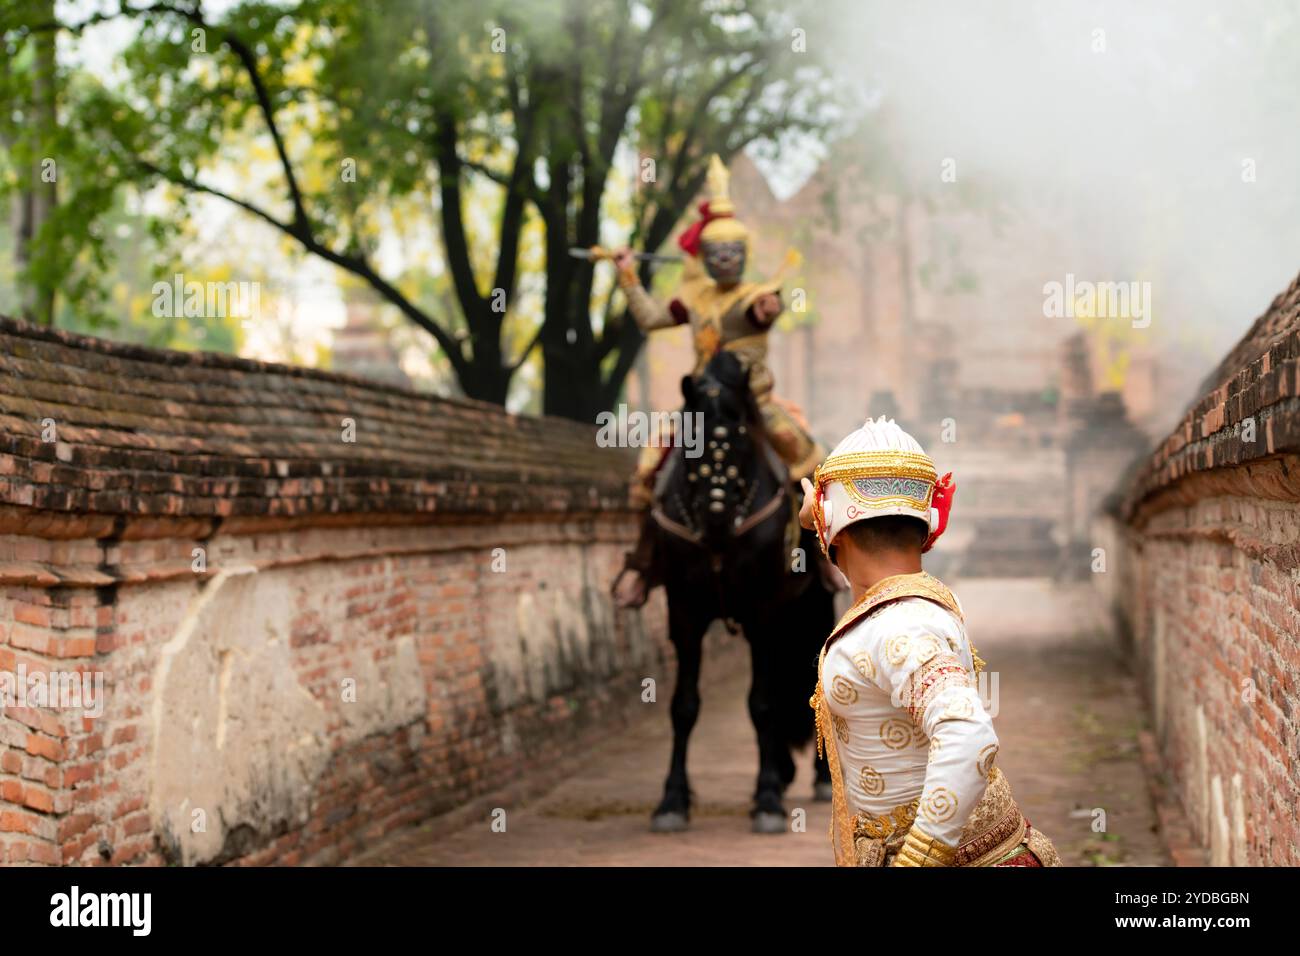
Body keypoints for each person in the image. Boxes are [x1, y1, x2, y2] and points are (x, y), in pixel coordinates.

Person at [799, 417, 1061, 867]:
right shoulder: (915, 598)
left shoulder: (901, 623)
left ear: (835, 532)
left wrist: (920, 855)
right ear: (928, 527)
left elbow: (969, 736)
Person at [611, 154, 823, 608]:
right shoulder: (693, 296)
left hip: (754, 403)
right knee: (650, 467)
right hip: (700, 407)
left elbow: (765, 310)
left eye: (733, 252)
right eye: (717, 253)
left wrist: (772, 308)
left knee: (807, 457)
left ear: (744, 256)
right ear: (705, 258)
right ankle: (643, 563)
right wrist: (627, 275)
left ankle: (821, 554)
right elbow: (651, 318)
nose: (726, 259)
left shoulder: (754, 298)